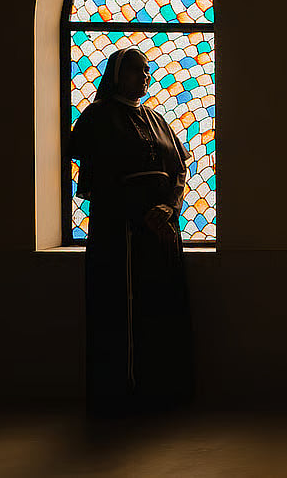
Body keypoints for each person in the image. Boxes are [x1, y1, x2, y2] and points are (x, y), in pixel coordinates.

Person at [69, 47, 194, 417]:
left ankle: (163, 390)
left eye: (148, 70)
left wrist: (169, 208)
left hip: (160, 230)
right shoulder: (97, 117)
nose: (146, 77)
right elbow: (100, 176)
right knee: (120, 309)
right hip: (119, 230)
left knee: (161, 306)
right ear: (117, 75)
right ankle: (121, 394)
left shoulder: (157, 120)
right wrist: (142, 213)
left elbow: (180, 171)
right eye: (138, 70)